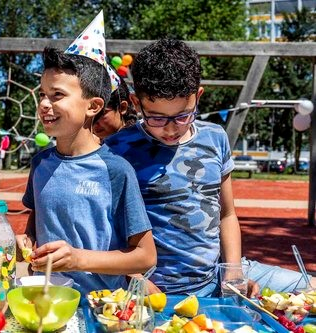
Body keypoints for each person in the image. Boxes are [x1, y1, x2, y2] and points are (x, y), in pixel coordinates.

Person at [105, 38, 313, 296]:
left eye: (183, 115)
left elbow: (227, 214)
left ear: (198, 97)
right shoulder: (117, 149)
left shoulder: (215, 138)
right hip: (154, 287)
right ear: (137, 104)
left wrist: (234, 271)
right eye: (157, 118)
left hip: (217, 273)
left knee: (311, 287)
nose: (171, 129)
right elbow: (107, 231)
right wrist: (135, 280)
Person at [16, 45, 156, 295]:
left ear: (93, 106)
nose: (44, 104)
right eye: (42, 94)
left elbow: (145, 257)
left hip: (100, 305)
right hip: (47, 300)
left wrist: (78, 259)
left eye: (57, 95)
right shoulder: (39, 164)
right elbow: (36, 226)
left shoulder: (116, 170)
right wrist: (25, 243)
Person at [93, 78, 138, 142]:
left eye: (101, 114)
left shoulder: (140, 142)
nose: (93, 122)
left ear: (122, 107)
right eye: (88, 116)